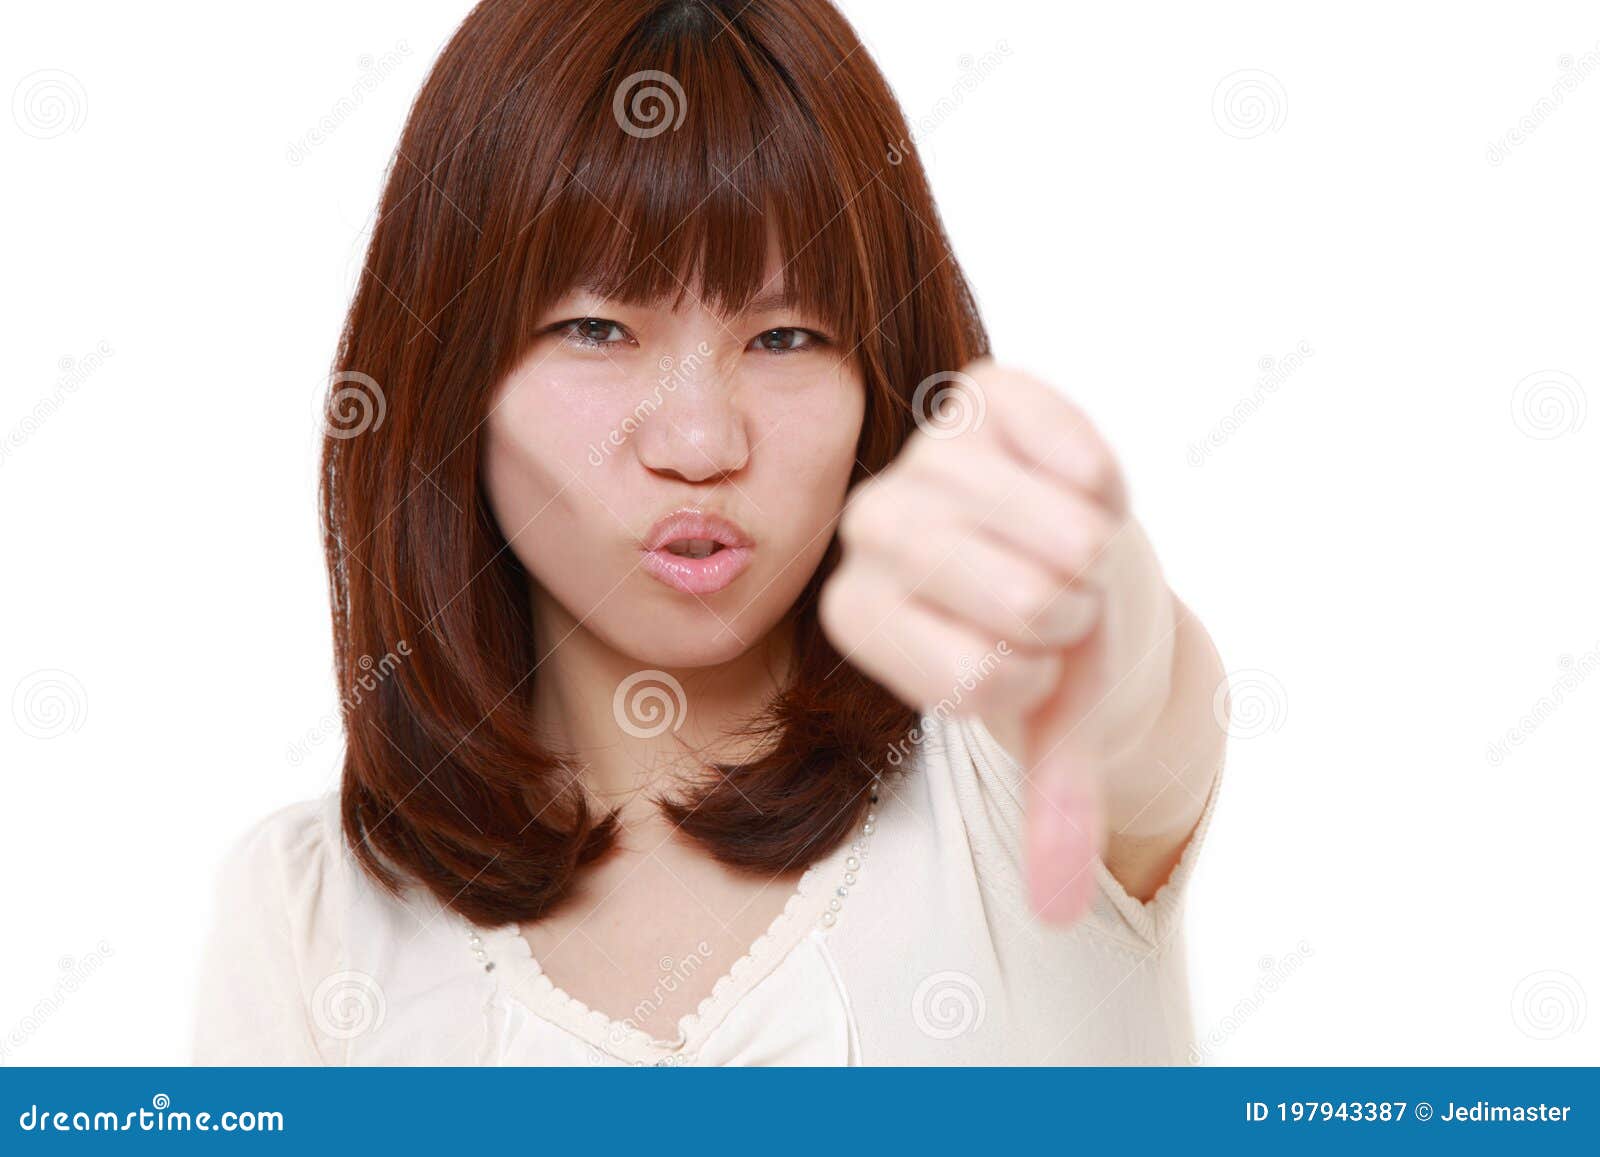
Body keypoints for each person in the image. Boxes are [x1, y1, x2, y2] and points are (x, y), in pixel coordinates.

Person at [193, 0, 1227, 1066]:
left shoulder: (998, 789)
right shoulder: (310, 914)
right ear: (451, 377)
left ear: (880, 382)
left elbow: (1132, 698)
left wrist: (1084, 594)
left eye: (786, 336)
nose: (699, 439)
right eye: (596, 329)